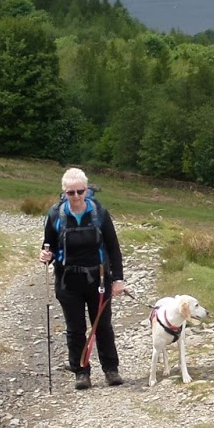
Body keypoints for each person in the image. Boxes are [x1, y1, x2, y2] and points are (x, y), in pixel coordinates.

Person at [40, 167, 126, 389]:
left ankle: (111, 370)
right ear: (64, 192)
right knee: (75, 328)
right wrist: (45, 256)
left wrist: (118, 279)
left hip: (99, 279)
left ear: (87, 190)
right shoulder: (55, 215)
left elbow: (113, 248)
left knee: (102, 325)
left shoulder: (100, 214)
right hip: (68, 281)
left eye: (80, 191)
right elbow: (49, 246)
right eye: (71, 192)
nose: (76, 196)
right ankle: (81, 372)